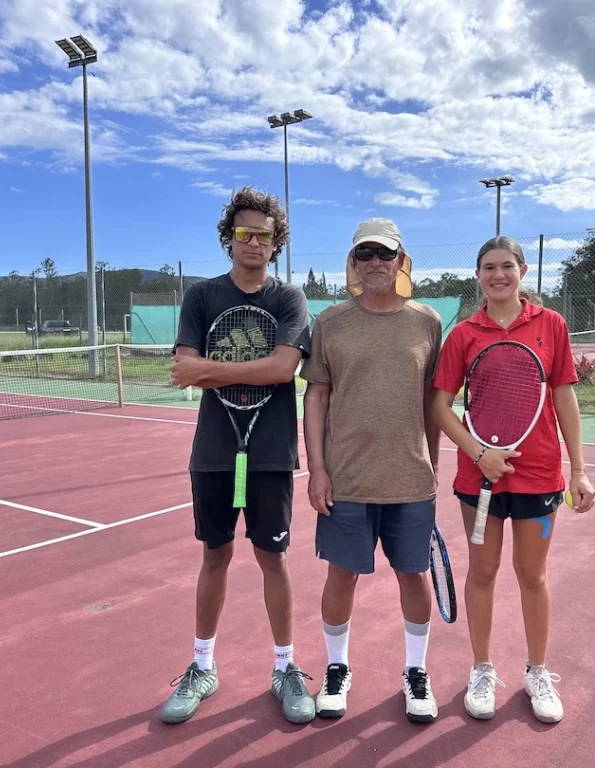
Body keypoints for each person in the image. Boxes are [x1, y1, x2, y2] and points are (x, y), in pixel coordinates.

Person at [161, 186, 316, 726]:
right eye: (245, 233)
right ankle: (202, 667)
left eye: (265, 235)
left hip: (271, 452)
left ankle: (285, 668)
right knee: (215, 557)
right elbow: (183, 370)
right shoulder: (202, 296)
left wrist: (211, 369)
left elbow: (282, 370)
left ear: (276, 244)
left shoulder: (289, 300)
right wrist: (213, 369)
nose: (254, 242)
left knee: (272, 559)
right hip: (213, 453)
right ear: (229, 239)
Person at [431, 235, 595, 724]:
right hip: (477, 478)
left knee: (533, 575)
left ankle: (537, 672)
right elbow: (440, 408)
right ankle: (482, 669)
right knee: (482, 573)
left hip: (541, 476)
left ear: (522, 271)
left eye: (506, 266)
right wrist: (480, 453)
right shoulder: (463, 334)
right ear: (477, 275)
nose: (497, 275)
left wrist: (579, 469)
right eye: (488, 267)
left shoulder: (551, 326)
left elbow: (565, 398)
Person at [300, 217, 443, 724]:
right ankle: (337, 669)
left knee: (414, 575)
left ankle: (415, 673)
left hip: (409, 480)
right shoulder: (330, 323)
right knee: (341, 577)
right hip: (346, 480)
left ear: (402, 260)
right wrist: (317, 469)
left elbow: (432, 401)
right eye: (365, 255)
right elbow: (316, 395)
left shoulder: (426, 321)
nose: (375, 263)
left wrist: (433, 464)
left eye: (385, 254)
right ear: (353, 263)